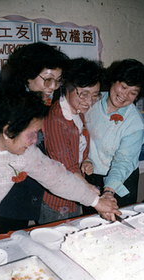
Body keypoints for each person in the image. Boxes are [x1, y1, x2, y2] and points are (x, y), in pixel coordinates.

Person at [0, 84, 120, 241]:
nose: (35, 141)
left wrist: (97, 202)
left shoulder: (26, 152)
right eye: (31, 134)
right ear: (8, 131)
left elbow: (57, 177)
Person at [0, 42, 70, 234]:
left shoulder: (46, 103)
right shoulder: (10, 105)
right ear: (27, 76)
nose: (53, 86)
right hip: (8, 189)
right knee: (8, 239)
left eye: (58, 80)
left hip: (36, 185)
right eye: (47, 80)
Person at [39, 58, 106, 224]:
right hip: (57, 200)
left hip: (75, 193)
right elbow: (66, 167)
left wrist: (86, 160)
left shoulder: (78, 112)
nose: (89, 101)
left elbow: (77, 148)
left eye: (95, 95)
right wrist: (96, 196)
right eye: (84, 94)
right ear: (68, 88)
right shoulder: (56, 119)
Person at [83, 59, 144, 216]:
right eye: (123, 86)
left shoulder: (135, 123)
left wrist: (108, 191)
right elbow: (80, 135)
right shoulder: (92, 101)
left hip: (121, 179)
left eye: (133, 92)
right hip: (91, 174)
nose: (124, 95)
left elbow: (123, 161)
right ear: (114, 80)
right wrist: (85, 158)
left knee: (118, 226)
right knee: (90, 223)